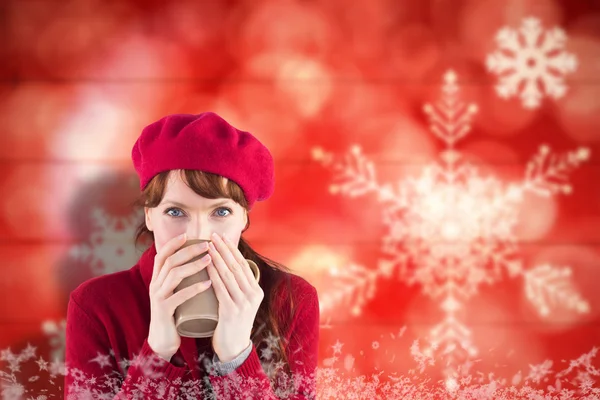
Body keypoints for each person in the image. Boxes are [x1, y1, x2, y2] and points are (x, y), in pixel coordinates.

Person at [64, 112, 320, 399]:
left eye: (221, 212)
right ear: (149, 215)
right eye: (176, 212)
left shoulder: (293, 301)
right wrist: (157, 354)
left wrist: (236, 357)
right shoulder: (96, 306)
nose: (200, 234)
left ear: (243, 220)